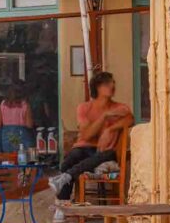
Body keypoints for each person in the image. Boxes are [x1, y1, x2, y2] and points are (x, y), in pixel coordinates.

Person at [49, 71, 134, 202]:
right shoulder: (84, 108)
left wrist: (110, 129)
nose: (112, 86)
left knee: (105, 154)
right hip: (85, 149)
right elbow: (87, 135)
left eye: (113, 83)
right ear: (97, 88)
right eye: (107, 84)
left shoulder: (119, 107)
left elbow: (130, 119)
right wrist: (104, 116)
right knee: (69, 160)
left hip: (106, 152)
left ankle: (65, 181)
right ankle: (64, 201)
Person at [0, 82, 34, 153]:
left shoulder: (3, 104)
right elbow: (29, 125)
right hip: (22, 138)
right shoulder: (25, 105)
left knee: (9, 159)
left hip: (6, 138)